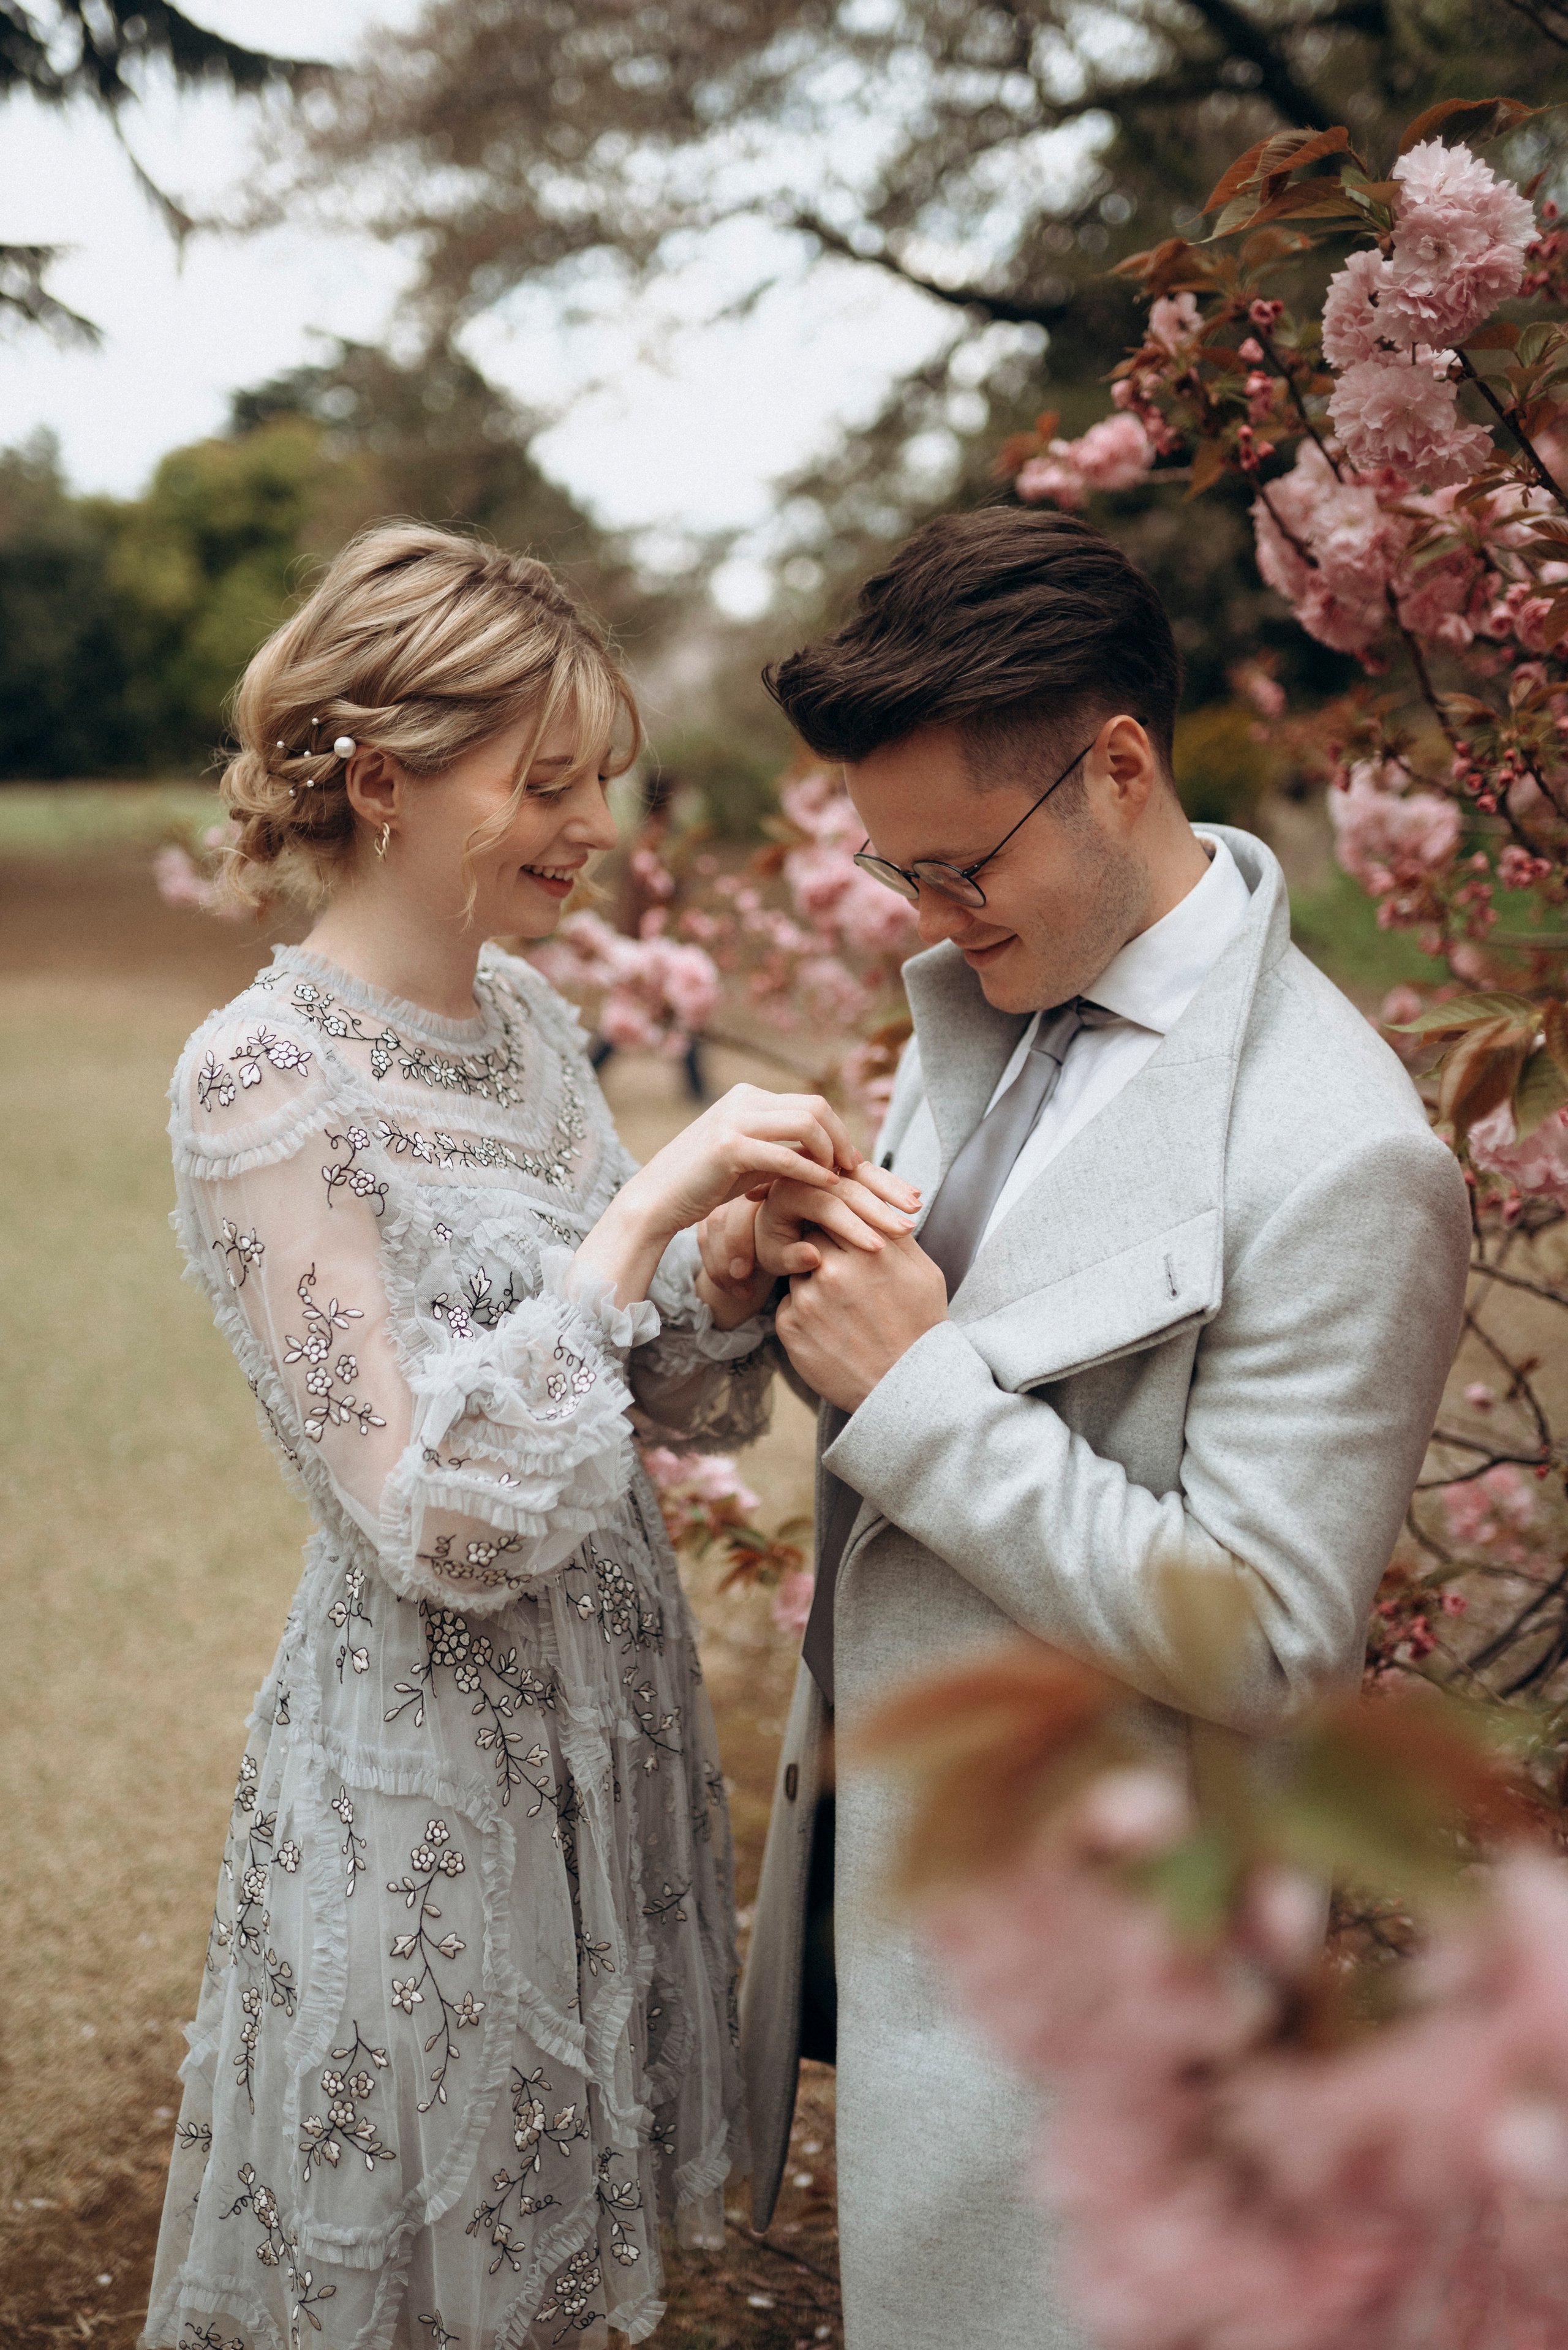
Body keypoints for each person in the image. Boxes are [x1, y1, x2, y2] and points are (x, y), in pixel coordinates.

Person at [696, 508, 1473, 2350]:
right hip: (910, 1906)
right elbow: (937, 1354)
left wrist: (918, 1389)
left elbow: (1271, 1643)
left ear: (1120, 769)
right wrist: (774, 1277)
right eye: (900, 879)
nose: (938, 920)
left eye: (961, 865)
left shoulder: (1346, 1154)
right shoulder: (999, 997)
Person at [142, 523, 915, 2350]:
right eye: (544, 780)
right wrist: (641, 1221)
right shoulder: (262, 1078)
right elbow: (428, 1513)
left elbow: (642, 1393)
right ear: (384, 777)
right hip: (429, 1753)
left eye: (599, 782)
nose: (591, 828)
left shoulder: (536, 1021)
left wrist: (717, 1267)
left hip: (613, 1703)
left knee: (570, 2248)